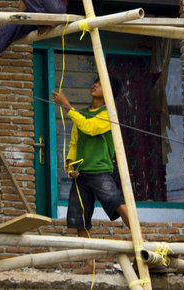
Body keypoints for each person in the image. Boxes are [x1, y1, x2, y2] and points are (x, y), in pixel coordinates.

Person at [51, 78, 129, 274]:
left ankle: (142, 243)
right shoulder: (81, 113)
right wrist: (70, 166)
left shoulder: (109, 114)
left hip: (100, 170)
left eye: (100, 84)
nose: (94, 85)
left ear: (109, 93)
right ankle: (89, 265)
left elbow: (90, 128)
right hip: (82, 174)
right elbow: (74, 143)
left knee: (117, 203)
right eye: (94, 82)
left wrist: (67, 106)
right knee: (79, 219)